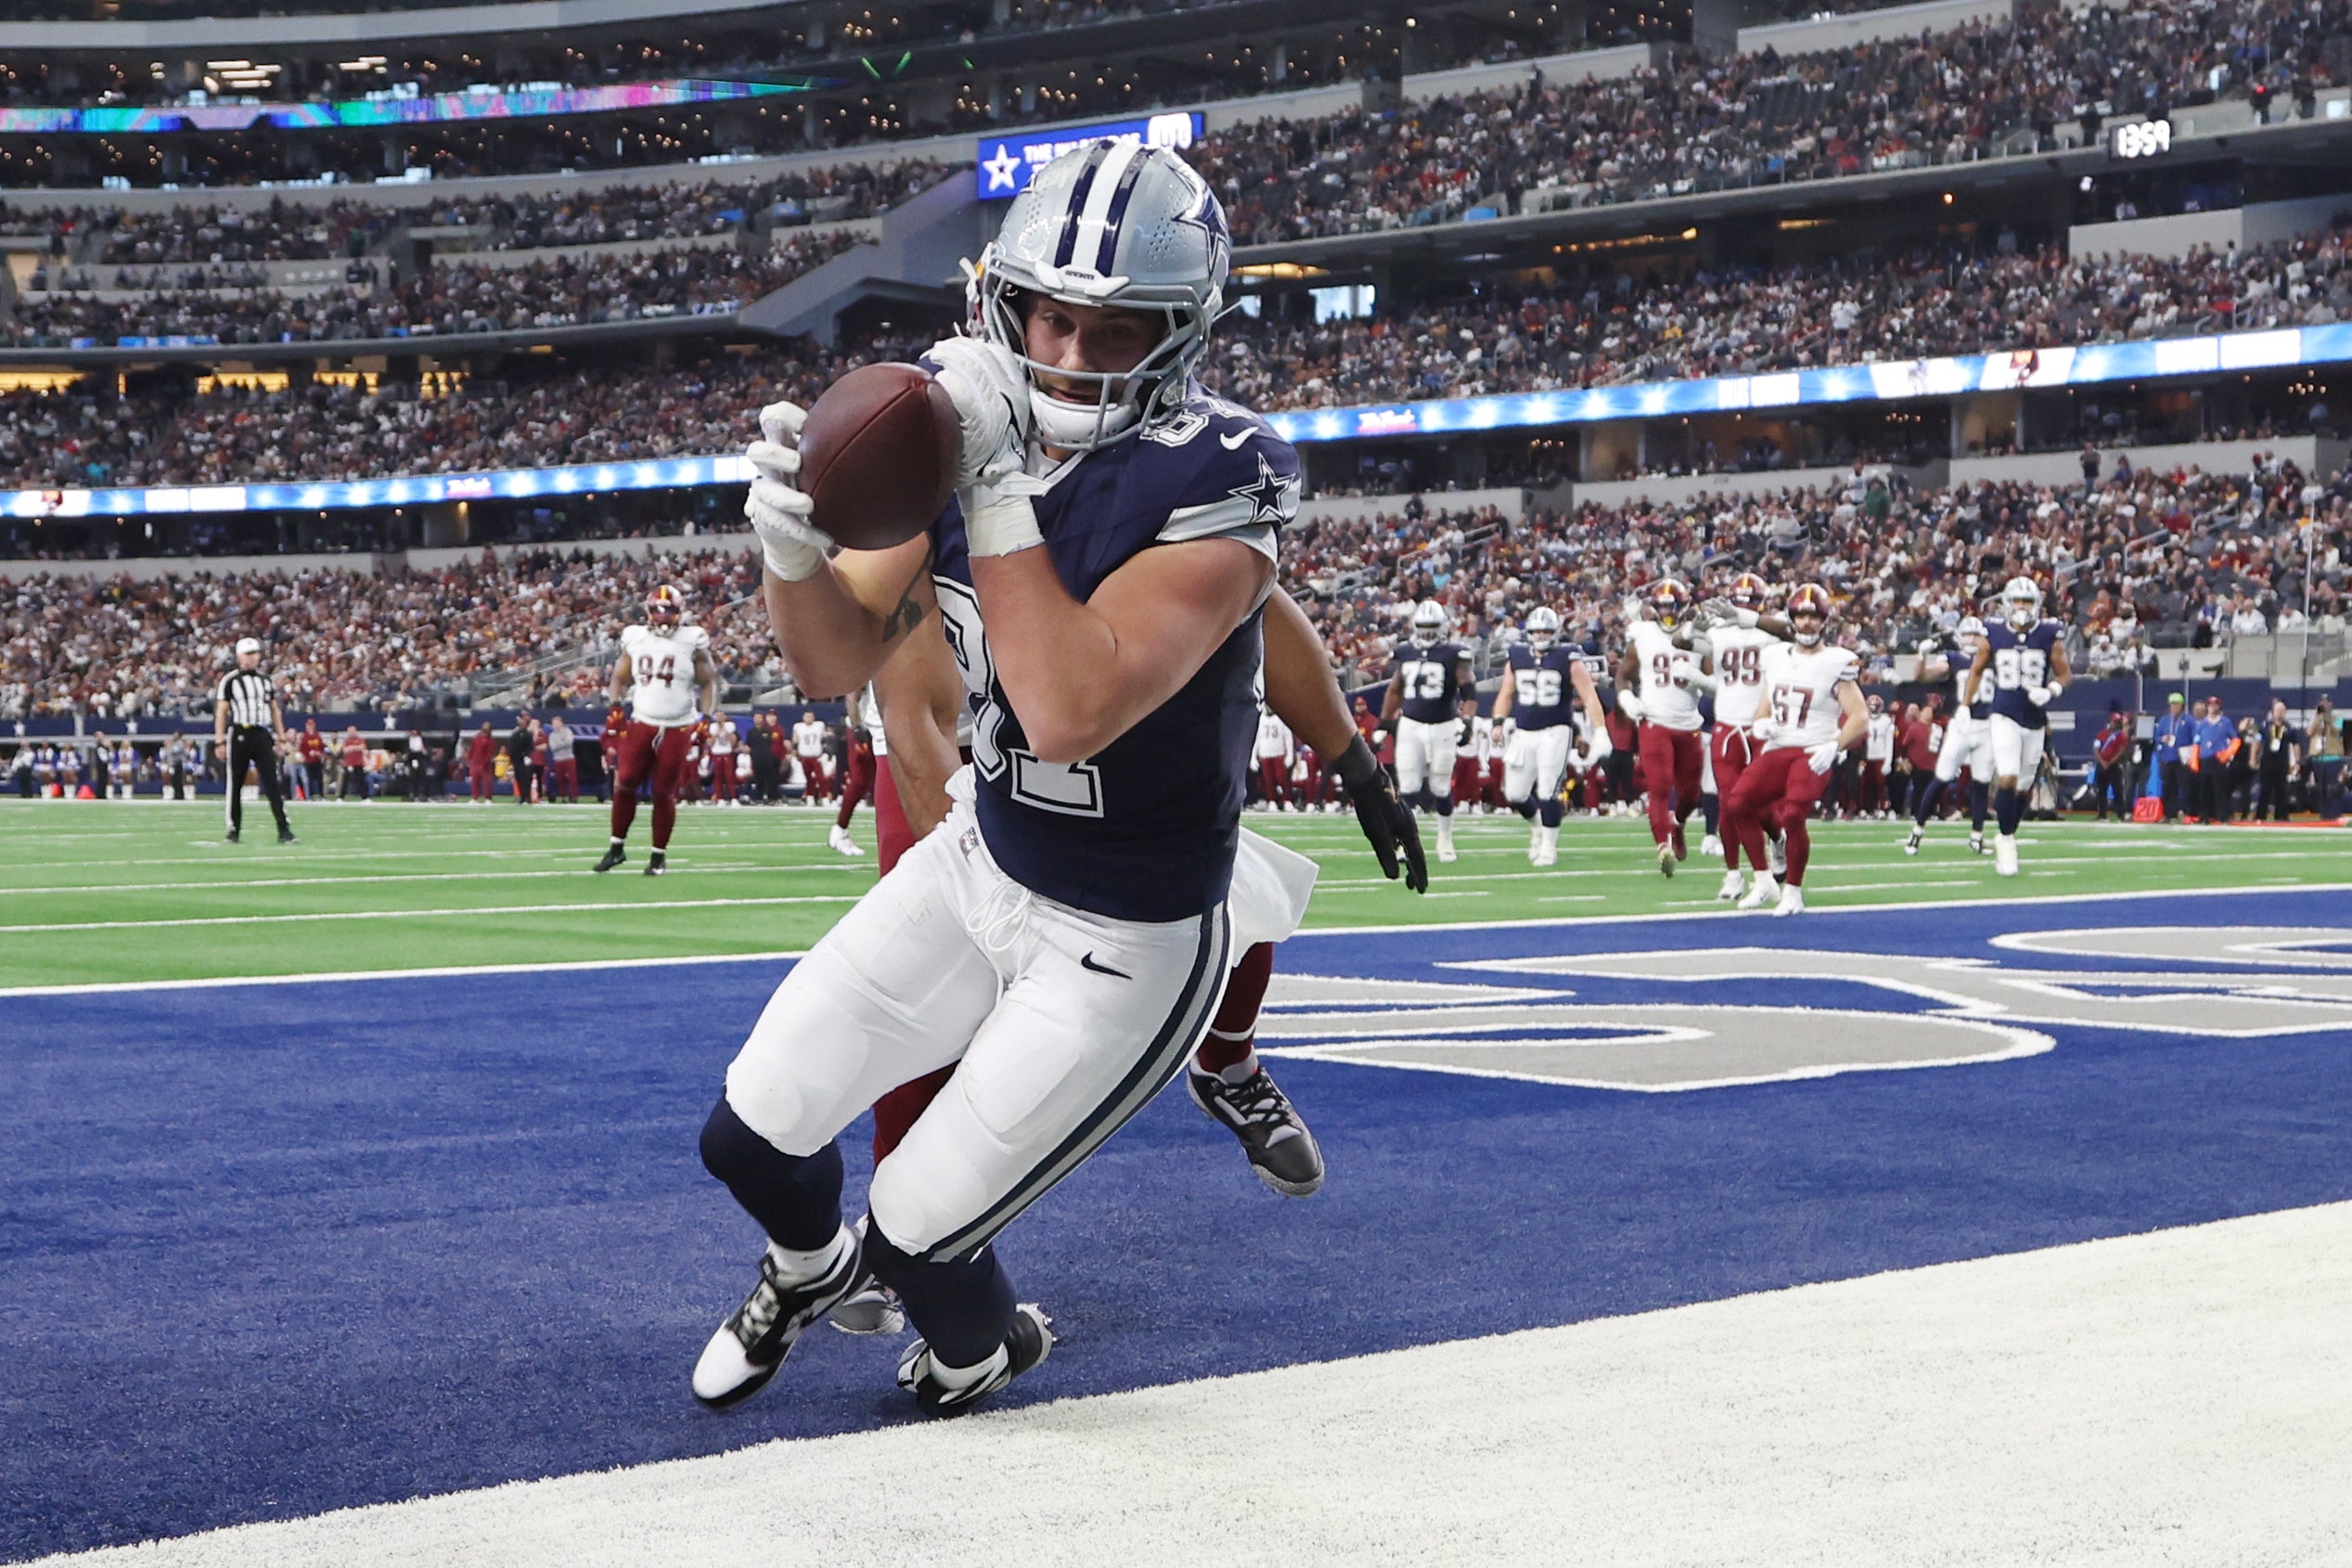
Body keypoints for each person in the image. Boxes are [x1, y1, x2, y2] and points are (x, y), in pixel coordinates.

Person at [700, 139, 1321, 1414]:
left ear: (1183, 329)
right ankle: (807, 1270)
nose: (1072, 358)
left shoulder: (1226, 468)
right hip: (981, 858)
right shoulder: (951, 422)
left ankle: (983, 1349)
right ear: (1003, 299)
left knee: (920, 1236)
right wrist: (787, 547)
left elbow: (1068, 708)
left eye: (1117, 328)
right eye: (1051, 316)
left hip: (1125, 935)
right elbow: (831, 660)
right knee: (747, 1131)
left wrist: (988, 482)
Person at [1723, 583, 1868, 916]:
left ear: (1824, 621)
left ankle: (1794, 891)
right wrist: (1760, 723)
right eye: (1801, 616)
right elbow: (1764, 705)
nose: (1807, 623)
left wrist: (1835, 745)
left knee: (1793, 814)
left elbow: (1859, 716)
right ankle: (1763, 881)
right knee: (1738, 803)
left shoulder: (1837, 661)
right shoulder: (1774, 656)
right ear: (1791, 618)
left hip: (1813, 750)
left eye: (1813, 616)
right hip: (1778, 747)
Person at [596, 585, 718, 876]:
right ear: (649, 612)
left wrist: (706, 717)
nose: (664, 617)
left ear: (679, 613)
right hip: (642, 721)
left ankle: (658, 856)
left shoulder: (693, 640)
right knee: (625, 782)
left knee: (664, 792)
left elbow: (709, 682)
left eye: (670, 611)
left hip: (677, 726)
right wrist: (615, 706)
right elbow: (619, 677)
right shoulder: (635, 637)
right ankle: (616, 847)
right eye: (659, 611)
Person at [1969, 576, 2072, 876]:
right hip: (2003, 713)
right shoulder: (1994, 632)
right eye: (2018, 601)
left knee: (2024, 786)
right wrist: (1965, 706)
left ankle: (2006, 832)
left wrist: (2051, 690)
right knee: (2008, 777)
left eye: (2027, 602)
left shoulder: (2049, 634)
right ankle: (2006, 842)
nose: (2022, 607)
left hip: (2034, 719)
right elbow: (1976, 669)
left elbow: (2065, 674)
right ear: (2007, 603)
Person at [1493, 603, 1610, 867]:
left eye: (1547, 631)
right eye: (1537, 632)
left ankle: (1548, 846)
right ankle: (1537, 824)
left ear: (1555, 632)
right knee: (1515, 793)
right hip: (1523, 731)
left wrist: (1600, 730)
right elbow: (1506, 693)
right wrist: (1498, 722)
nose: (1542, 636)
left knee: (1548, 790)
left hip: (1555, 730)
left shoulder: (1568, 656)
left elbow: (1589, 695)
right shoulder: (1517, 656)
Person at [1690, 573, 1784, 899]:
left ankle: (1778, 837)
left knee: (1755, 804)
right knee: (1731, 805)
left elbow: (1796, 632)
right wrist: (1693, 627)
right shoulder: (1720, 632)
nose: (1744, 606)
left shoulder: (1773, 630)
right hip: (1726, 727)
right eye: (1740, 601)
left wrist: (1752, 619)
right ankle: (1736, 875)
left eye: (1751, 602)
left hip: (1760, 728)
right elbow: (1681, 643)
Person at [1619, 579, 1704, 876]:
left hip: (1689, 723)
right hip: (1654, 720)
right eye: (1663, 607)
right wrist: (1626, 697)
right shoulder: (1642, 634)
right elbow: (1623, 676)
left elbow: (1714, 678)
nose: (1668, 613)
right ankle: (1662, 847)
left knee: (1691, 795)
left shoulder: (1700, 634)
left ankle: (1677, 823)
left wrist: (1700, 678)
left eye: (1673, 606)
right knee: (1659, 786)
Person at [1382, 599, 1472, 863]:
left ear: (1443, 626)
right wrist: (1384, 724)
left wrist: (1467, 721)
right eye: (1423, 627)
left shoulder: (1455, 653)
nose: (1428, 632)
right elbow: (1395, 690)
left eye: (1433, 627)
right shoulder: (1405, 651)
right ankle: (1405, 842)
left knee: (1441, 786)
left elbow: (1469, 690)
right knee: (1407, 786)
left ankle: (1445, 839)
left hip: (1443, 724)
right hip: (1411, 724)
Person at [1905, 618, 1993, 856]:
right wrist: (1921, 656)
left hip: (1987, 725)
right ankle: (1917, 831)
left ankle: (1977, 837)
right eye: (1968, 635)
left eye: (1976, 635)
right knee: (1941, 777)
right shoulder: (1953, 659)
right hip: (1961, 724)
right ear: (1960, 636)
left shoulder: (1993, 657)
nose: (1972, 640)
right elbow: (1922, 676)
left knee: (1982, 783)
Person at [212, 636, 295, 844]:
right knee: (235, 784)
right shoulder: (230, 680)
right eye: (248, 654)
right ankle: (233, 830)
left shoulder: (265, 681)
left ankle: (284, 829)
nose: (252, 658)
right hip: (240, 733)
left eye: (255, 653)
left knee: (272, 782)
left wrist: (281, 737)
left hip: (261, 734)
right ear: (239, 657)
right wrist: (219, 741)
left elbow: (274, 710)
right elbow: (222, 711)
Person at [829, 691, 879, 855]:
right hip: (866, 729)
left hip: (878, 728)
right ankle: (840, 828)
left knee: (875, 782)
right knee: (860, 780)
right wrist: (858, 728)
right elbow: (851, 696)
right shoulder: (868, 667)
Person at [2152, 692, 2196, 821]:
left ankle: (2186, 812)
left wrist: (2191, 755)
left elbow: (2195, 738)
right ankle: (2168, 814)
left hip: (2182, 759)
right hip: (2167, 757)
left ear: (2182, 706)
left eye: (2177, 705)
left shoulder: (2189, 720)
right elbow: (2156, 736)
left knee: (2185, 786)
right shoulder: (2165, 720)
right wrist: (2162, 739)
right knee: (2168, 788)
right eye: (2172, 705)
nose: (2174, 707)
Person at [2255, 700, 2303, 820]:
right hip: (2267, 761)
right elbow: (2257, 742)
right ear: (2273, 712)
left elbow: (2296, 745)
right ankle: (2260, 816)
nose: (2280, 713)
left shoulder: (2289, 728)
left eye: (2282, 711)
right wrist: (2253, 758)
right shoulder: (2265, 725)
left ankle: (2281, 816)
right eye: (2278, 710)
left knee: (2281, 790)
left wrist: (2297, 762)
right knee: (2265, 789)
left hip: (2282, 762)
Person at [2192, 695, 2237, 824]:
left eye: (2215, 705)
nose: (2213, 708)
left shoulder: (2225, 722)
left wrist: (2227, 754)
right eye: (2210, 705)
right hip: (2205, 758)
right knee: (2204, 790)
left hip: (2218, 758)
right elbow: (2197, 743)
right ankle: (2204, 817)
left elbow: (2235, 739)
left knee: (2220, 789)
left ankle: (2222, 816)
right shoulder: (2202, 724)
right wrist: (2194, 761)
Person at [2090, 706, 2133, 819]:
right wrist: (2102, 761)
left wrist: (2110, 762)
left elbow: (2121, 750)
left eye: (2117, 722)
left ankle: (2121, 814)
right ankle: (2102, 814)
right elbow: (2096, 749)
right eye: (2114, 722)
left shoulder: (2121, 736)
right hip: (2102, 765)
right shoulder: (2102, 734)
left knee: (2117, 790)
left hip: (2114, 766)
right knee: (2101, 791)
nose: (2115, 724)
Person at [1253, 701, 1294, 810]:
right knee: (1269, 780)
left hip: (1278, 753)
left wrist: (1290, 754)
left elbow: (1288, 737)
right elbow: (1256, 739)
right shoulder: (1260, 719)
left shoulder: (1281, 719)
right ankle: (1272, 800)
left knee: (1282, 779)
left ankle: (1287, 800)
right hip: (1265, 754)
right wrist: (1253, 757)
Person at [1860, 694, 1895, 817]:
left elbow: (1889, 742)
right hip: (1866, 756)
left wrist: (1888, 762)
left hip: (1880, 756)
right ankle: (1864, 808)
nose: (1874, 710)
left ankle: (1881, 807)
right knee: (1865, 784)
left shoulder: (1886, 721)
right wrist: (1860, 758)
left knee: (1880, 784)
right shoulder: (1863, 719)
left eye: (1876, 707)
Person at [2308, 697, 2344, 816]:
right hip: (2318, 758)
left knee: (2333, 788)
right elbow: (2309, 732)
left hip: (2333, 758)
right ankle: (2323, 814)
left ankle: (2333, 814)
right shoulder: (2316, 719)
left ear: (2330, 704)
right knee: (2320, 789)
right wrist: (2317, 718)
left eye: (2326, 702)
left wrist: (2328, 720)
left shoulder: (2337, 718)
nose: (2323, 704)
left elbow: (2337, 731)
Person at [792, 709, 831, 802]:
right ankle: (810, 796)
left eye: (810, 716)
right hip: (804, 755)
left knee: (820, 777)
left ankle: (825, 796)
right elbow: (795, 740)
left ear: (813, 717)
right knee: (808, 778)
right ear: (803, 718)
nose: (808, 719)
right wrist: (795, 750)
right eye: (807, 716)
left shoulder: (819, 725)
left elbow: (824, 737)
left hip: (816, 755)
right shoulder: (798, 726)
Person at [707, 714, 740, 806]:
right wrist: (717, 733)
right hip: (717, 754)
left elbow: (733, 743)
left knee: (729, 776)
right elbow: (710, 743)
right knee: (717, 777)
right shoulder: (713, 727)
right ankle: (720, 798)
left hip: (727, 753)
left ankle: (733, 798)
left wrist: (725, 730)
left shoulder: (730, 726)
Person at [547, 714, 579, 803]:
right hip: (558, 759)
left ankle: (574, 796)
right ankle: (564, 796)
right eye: (554, 723)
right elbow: (553, 747)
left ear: (561, 723)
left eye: (557, 723)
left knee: (572, 777)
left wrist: (559, 744)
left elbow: (569, 742)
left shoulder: (568, 731)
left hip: (569, 758)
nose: (555, 725)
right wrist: (562, 742)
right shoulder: (552, 735)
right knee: (560, 778)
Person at [506, 715, 536, 805]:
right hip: (516, 760)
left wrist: (526, 755)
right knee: (519, 779)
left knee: (525, 779)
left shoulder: (526, 734)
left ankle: (527, 798)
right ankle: (522, 797)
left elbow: (530, 746)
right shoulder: (515, 732)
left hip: (523, 760)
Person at [466, 722, 497, 803]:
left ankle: (488, 798)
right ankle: (474, 797)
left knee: (487, 782)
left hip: (485, 764)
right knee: (475, 781)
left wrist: (484, 763)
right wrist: (469, 758)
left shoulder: (490, 740)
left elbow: (489, 753)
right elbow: (472, 749)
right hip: (475, 763)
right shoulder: (476, 738)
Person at [298, 720, 327, 803]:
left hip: (317, 760)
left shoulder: (318, 736)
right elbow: (301, 749)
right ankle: (309, 796)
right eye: (308, 725)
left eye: (311, 725)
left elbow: (322, 747)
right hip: (308, 761)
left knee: (319, 779)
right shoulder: (304, 736)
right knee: (309, 779)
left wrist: (319, 754)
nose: (309, 727)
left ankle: (322, 796)